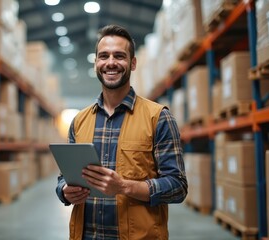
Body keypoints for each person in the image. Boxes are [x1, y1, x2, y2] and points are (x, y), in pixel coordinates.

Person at [56, 24, 188, 240]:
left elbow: (177, 187)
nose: (110, 63)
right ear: (96, 62)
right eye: (103, 56)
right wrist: (64, 191)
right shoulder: (79, 121)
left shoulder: (158, 117)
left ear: (132, 63)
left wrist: (123, 186)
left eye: (119, 56)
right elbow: (63, 178)